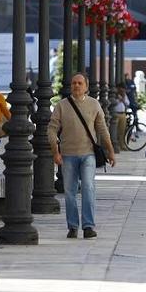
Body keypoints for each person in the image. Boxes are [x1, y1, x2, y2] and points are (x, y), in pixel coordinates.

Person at [48, 73, 116, 240]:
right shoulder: (62, 106)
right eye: (74, 83)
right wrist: (55, 152)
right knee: (70, 192)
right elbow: (51, 129)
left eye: (80, 83)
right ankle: (72, 227)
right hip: (68, 155)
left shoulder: (94, 104)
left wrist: (111, 151)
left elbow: (102, 129)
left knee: (88, 187)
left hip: (88, 155)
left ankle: (88, 226)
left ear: (86, 87)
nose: (76, 86)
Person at [113, 84, 129, 152]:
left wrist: (122, 99)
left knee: (122, 131)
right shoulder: (114, 95)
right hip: (116, 113)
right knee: (115, 130)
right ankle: (116, 145)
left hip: (123, 114)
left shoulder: (124, 95)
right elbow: (114, 103)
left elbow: (127, 103)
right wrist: (118, 100)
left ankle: (122, 145)